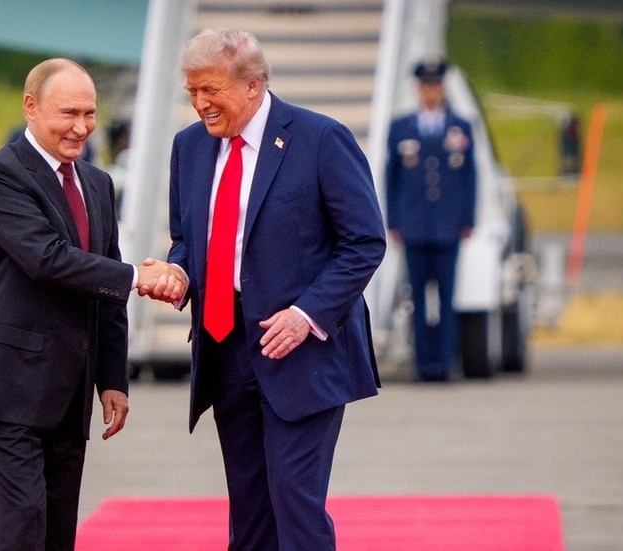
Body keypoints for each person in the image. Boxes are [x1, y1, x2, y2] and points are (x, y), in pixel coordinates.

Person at [0, 58, 184, 551]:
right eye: (68, 113)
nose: (81, 126)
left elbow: (103, 289)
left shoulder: (96, 182)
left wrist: (112, 378)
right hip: (7, 384)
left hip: (69, 388)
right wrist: (138, 276)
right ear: (31, 107)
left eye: (89, 113)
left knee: (57, 528)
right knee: (22, 524)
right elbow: (47, 260)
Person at [165, 29, 386, 550]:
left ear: (253, 85)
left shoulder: (320, 139)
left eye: (211, 89)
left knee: (295, 506)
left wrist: (306, 314)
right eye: (192, 91)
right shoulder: (189, 147)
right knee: (249, 516)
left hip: (301, 352)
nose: (200, 103)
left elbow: (364, 242)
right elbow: (187, 239)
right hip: (225, 347)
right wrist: (178, 273)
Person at [385, 59, 476, 382]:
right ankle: (423, 364)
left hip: (448, 226)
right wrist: (394, 220)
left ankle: (445, 362)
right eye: (426, 86)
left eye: (436, 86)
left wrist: (468, 218)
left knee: (447, 298)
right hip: (414, 225)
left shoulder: (459, 127)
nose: (431, 92)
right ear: (419, 89)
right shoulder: (402, 127)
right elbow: (392, 177)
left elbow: (469, 176)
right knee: (418, 299)